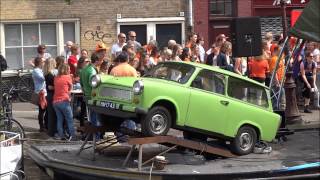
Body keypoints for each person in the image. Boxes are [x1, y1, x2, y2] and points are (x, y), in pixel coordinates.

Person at [53, 64, 75, 140]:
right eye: (69, 69)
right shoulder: (68, 77)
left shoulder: (56, 77)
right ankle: (73, 136)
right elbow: (71, 87)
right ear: (66, 70)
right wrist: (69, 92)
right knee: (70, 119)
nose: (70, 70)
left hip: (55, 101)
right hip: (64, 101)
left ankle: (61, 135)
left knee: (59, 119)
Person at [43, 58, 58, 137]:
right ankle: (51, 132)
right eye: (55, 62)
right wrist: (58, 87)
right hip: (51, 95)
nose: (56, 63)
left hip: (49, 95)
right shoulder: (50, 75)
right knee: (52, 114)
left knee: (50, 114)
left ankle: (50, 131)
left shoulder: (47, 73)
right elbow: (49, 87)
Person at [32, 57, 47, 132]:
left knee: (44, 110)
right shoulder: (36, 71)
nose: (44, 63)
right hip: (40, 93)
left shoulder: (40, 70)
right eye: (43, 62)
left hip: (44, 92)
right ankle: (41, 126)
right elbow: (43, 78)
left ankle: (45, 125)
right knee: (42, 110)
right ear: (40, 63)